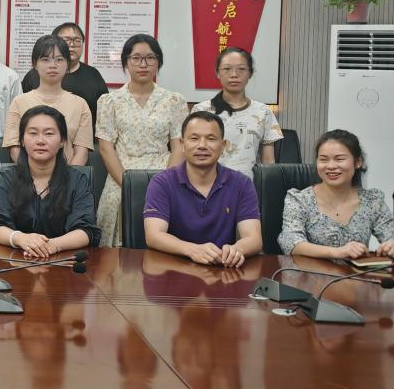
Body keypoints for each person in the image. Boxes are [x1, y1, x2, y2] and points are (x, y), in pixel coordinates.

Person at [96, 34, 188, 246]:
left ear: (159, 62)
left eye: (150, 58)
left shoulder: (174, 100)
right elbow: (106, 147)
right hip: (121, 177)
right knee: (116, 252)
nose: (143, 64)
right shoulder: (109, 101)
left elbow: (179, 147)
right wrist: (129, 185)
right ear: (126, 62)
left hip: (163, 175)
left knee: (164, 244)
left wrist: (165, 184)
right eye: (136, 58)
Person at [143, 111, 262, 267]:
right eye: (194, 138)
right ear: (182, 144)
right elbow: (154, 235)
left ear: (223, 146)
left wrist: (236, 250)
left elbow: (254, 238)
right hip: (174, 268)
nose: (202, 145)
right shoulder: (161, 182)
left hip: (222, 269)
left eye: (211, 139)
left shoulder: (241, 183)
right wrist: (192, 250)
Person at [280, 129, 394, 264]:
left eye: (340, 159)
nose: (331, 166)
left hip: (357, 275)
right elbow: (290, 242)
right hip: (312, 275)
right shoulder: (299, 200)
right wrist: (338, 252)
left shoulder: (372, 201)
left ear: (358, 162)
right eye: (323, 159)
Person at [0, 105, 99, 258]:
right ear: (22, 140)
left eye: (49, 134)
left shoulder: (77, 180)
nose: (40, 141)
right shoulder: (5, 179)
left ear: (62, 141)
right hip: (15, 259)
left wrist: (53, 245)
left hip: (63, 261)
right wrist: (21, 239)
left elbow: (86, 230)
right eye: (33, 133)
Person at [191, 47, 282, 179]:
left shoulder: (263, 112)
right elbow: (192, 155)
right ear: (217, 73)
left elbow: (268, 163)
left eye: (241, 69)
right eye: (227, 69)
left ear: (250, 73)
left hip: (248, 186)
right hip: (208, 183)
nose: (234, 75)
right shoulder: (201, 110)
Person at [5, 35, 95, 166]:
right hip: (26, 175)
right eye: (45, 59)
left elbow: (81, 153)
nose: (52, 65)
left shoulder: (80, 105)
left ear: (67, 64)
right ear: (35, 64)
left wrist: (68, 177)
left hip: (68, 175)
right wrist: (35, 174)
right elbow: (14, 149)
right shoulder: (19, 102)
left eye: (59, 59)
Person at [20, 22, 108, 124]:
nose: (72, 45)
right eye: (66, 40)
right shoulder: (35, 74)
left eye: (77, 40)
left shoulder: (93, 74)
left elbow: (105, 112)